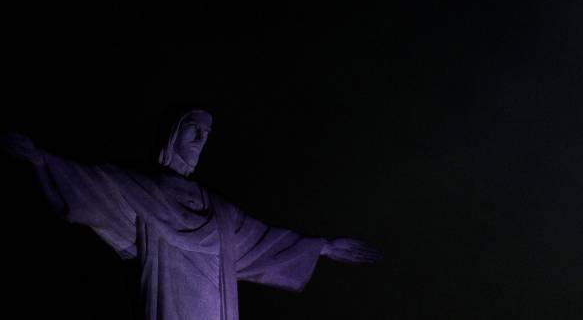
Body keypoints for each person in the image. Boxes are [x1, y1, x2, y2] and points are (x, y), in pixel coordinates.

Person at [1, 110, 382, 320]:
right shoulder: (139, 188)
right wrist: (41, 160)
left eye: (206, 134)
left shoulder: (220, 211)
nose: (201, 140)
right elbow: (89, 186)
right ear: (172, 134)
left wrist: (324, 247)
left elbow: (264, 241)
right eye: (193, 130)